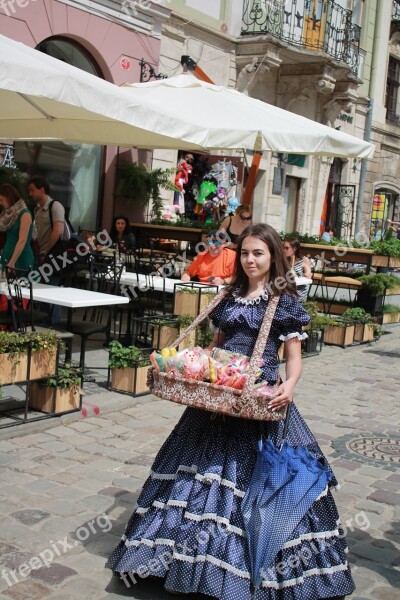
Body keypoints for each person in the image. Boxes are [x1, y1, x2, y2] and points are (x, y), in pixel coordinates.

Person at [107, 223, 354, 600]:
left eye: (258, 253)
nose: (250, 260)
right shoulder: (230, 294)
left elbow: (294, 359)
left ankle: (247, 566)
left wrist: (289, 386)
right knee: (193, 473)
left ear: (274, 256)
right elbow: (216, 345)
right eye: (244, 253)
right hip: (220, 394)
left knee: (252, 480)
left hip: (259, 399)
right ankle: (176, 560)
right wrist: (196, 364)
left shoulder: (283, 300)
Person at [28, 176, 66, 323]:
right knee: (42, 291)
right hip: (41, 255)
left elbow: (57, 231)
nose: (30, 194)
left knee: (51, 291)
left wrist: (45, 251)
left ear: (42, 189)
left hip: (53, 255)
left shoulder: (55, 206)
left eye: (32, 190)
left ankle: (54, 328)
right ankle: (44, 326)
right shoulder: (37, 209)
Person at [0, 183, 34, 273]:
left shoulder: (25, 214)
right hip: (7, 256)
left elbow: (22, 241)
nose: (0, 203)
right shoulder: (6, 215)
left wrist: (12, 263)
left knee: (21, 286)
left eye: (1, 200)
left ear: (9, 197)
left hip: (20, 258)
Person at [283, 237, 312, 302]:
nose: (284, 250)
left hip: (299, 294)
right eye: (283, 248)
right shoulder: (284, 260)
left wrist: (299, 277)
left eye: (287, 248)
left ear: (294, 249)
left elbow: (308, 277)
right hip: (285, 292)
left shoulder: (303, 260)